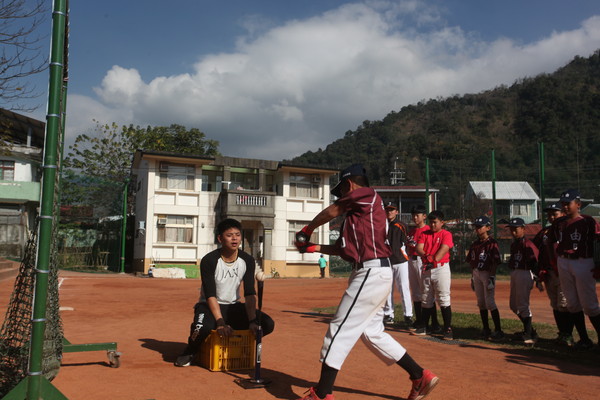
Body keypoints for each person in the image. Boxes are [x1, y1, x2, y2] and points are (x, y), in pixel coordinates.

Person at [293, 164, 438, 400]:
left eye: (342, 191)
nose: (342, 197)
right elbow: (344, 251)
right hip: (373, 272)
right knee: (372, 333)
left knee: (338, 329)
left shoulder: (366, 194)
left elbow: (334, 209)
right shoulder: (358, 218)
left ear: (350, 184)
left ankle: (322, 393)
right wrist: (312, 247)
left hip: (370, 273)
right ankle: (419, 375)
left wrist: (308, 229)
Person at [174, 218, 275, 367]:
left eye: (237, 234)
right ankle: (191, 349)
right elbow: (210, 294)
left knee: (266, 324)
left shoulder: (247, 260)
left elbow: (249, 293)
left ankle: (236, 345)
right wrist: (220, 322)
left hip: (233, 306)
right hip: (209, 305)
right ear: (220, 238)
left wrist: (253, 320)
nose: (234, 238)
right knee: (201, 328)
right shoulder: (209, 260)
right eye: (229, 235)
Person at [547, 189, 600, 350]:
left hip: (583, 262)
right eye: (563, 203)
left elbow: (598, 242)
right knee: (572, 304)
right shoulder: (559, 223)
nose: (565, 207)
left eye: (568, 203)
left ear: (578, 204)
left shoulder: (588, 221)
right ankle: (584, 339)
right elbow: (550, 242)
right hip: (564, 261)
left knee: (589, 304)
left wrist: (598, 264)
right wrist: (554, 261)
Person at [532, 202, 574, 346]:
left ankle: (568, 335)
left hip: (564, 271)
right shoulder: (545, 232)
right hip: (549, 273)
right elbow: (533, 249)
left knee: (564, 304)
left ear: (562, 214)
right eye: (549, 214)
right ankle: (562, 333)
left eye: (554, 213)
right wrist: (538, 270)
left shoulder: (567, 229)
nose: (551, 217)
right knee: (555, 305)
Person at [414, 210, 454, 340]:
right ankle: (425, 326)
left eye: (435, 222)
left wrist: (433, 260)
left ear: (442, 223)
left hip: (441, 268)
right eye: (431, 222)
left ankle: (447, 328)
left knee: (443, 297)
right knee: (426, 297)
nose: (432, 225)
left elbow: (444, 249)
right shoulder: (424, 234)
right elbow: (419, 248)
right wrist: (427, 256)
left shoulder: (446, 234)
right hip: (427, 268)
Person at [466, 216, 504, 341]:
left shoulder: (491, 243)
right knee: (481, 302)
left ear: (488, 228)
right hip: (477, 273)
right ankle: (486, 329)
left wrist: (492, 277)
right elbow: (472, 262)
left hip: (487, 273)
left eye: (480, 226)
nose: (477, 229)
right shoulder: (475, 244)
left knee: (490, 302)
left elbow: (495, 262)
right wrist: (472, 277)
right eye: (476, 227)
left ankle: (498, 330)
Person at [406, 205, 441, 332]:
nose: (415, 217)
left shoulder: (427, 230)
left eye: (418, 215)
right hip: (411, 260)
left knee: (427, 292)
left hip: (422, 261)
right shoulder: (411, 232)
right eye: (413, 215)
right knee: (415, 293)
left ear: (424, 216)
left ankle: (434, 323)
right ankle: (419, 320)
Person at [507, 217, 541, 345]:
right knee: (513, 306)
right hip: (516, 272)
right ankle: (530, 330)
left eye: (516, 229)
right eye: (511, 229)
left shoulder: (528, 244)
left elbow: (534, 262)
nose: (513, 232)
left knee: (523, 305)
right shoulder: (514, 244)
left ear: (523, 229)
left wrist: (538, 278)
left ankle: (528, 335)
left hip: (525, 273)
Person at [382, 201, 413, 326]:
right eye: (388, 209)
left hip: (400, 260)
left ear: (397, 212)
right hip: (387, 261)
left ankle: (408, 315)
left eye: (392, 210)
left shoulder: (401, 225)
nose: (389, 212)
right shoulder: (382, 225)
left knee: (403, 288)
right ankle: (389, 314)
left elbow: (408, 241)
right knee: (387, 289)